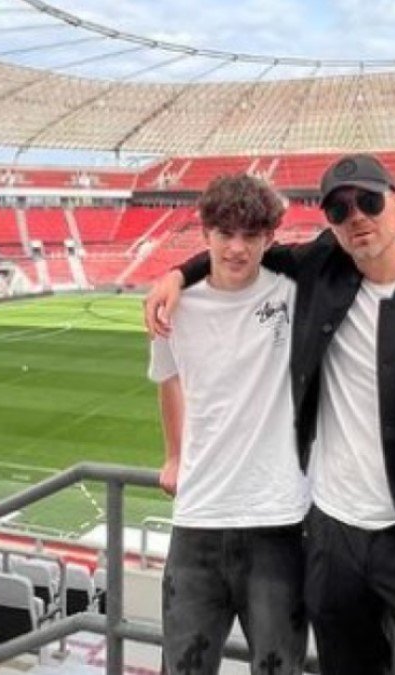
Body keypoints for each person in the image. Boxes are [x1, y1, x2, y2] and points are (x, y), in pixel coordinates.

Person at [146, 154, 395, 675]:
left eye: (369, 201)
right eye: (340, 209)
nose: (356, 216)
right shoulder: (324, 273)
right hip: (334, 539)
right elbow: (240, 250)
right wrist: (177, 273)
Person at [148, 174, 308, 675]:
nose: (237, 248)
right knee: (182, 668)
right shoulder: (173, 307)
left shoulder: (294, 292)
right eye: (225, 234)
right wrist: (174, 454)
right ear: (206, 234)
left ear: (269, 238)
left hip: (277, 520)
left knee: (279, 668)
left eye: (251, 235)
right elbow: (168, 379)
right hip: (197, 520)